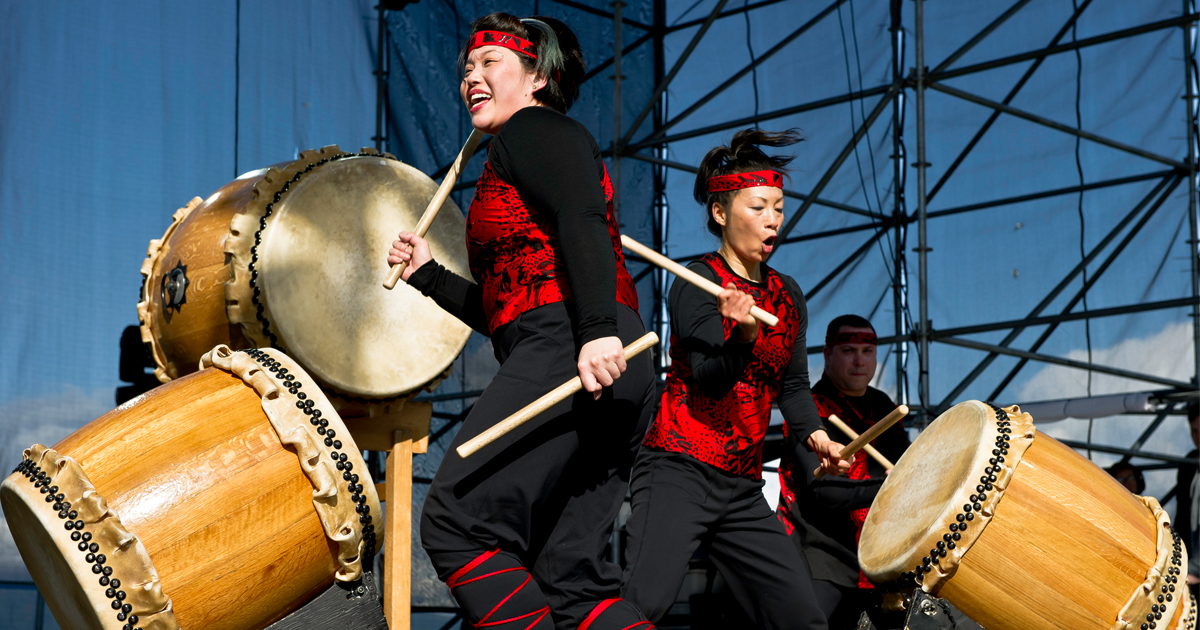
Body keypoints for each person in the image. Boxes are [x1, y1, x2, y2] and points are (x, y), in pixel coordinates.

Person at [388, 13, 655, 630]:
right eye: (466, 69)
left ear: (535, 76)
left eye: (490, 64)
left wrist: (594, 332)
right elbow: (510, 308)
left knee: (456, 522)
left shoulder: (530, 129)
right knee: (570, 581)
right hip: (599, 353)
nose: (471, 78)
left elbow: (582, 217)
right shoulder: (521, 146)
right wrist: (429, 274)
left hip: (578, 347)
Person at [618, 128, 849, 630]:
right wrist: (742, 336)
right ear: (721, 214)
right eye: (758, 207)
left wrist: (816, 435)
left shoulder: (787, 295)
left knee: (803, 620)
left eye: (779, 209)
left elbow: (791, 386)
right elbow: (708, 379)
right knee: (640, 609)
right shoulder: (698, 284)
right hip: (679, 469)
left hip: (741, 487)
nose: (773, 221)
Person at [776, 315, 911, 628]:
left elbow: (906, 467)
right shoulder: (809, 410)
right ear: (827, 354)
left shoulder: (884, 407)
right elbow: (825, 493)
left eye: (867, 353)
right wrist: (890, 487)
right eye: (848, 351)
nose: (859, 361)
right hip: (822, 556)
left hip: (879, 560)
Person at [1180, 403, 1199, 598]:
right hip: (1189, 568)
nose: (1198, 436)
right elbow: (1182, 514)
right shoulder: (1189, 462)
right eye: (1194, 431)